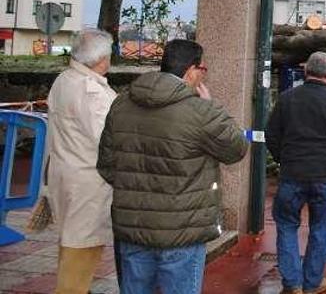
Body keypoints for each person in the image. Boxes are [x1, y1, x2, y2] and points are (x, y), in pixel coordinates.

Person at [97, 39, 248, 294]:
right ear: (191, 70)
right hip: (182, 232)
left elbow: (107, 166)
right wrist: (212, 106)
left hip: (133, 227)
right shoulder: (200, 111)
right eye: (203, 69)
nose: (203, 74)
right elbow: (236, 149)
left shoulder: (121, 103)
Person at [266, 52, 326, 294]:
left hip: (292, 174)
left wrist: (282, 158)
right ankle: (312, 283)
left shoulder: (286, 99)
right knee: (320, 229)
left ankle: (292, 283)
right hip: (325, 176)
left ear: (306, 71)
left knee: (286, 226)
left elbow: (272, 135)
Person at [46, 29, 117, 294]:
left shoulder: (64, 80)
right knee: (82, 251)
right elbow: (109, 138)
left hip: (65, 174)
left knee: (69, 244)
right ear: (101, 58)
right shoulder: (92, 92)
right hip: (88, 183)